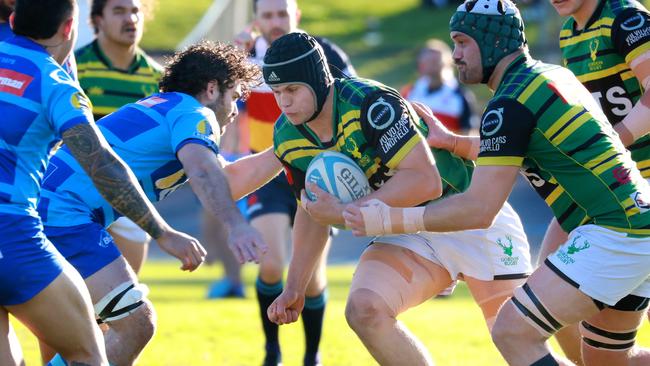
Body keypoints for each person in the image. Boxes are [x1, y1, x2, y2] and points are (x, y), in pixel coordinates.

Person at [343, 1, 650, 365]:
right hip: (635, 222)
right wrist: (455, 142)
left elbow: (479, 209)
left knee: (512, 331)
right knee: (606, 362)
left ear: (491, 42)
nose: (455, 55)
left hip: (615, 233)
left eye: (462, 42)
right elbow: (517, 147)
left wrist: (387, 220)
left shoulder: (509, 105)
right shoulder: (547, 77)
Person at [263, 32, 533, 365]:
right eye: (276, 92)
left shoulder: (371, 104)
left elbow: (426, 181)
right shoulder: (287, 135)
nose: (284, 102)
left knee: (519, 346)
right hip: (407, 231)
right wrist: (294, 287)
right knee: (364, 310)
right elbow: (312, 210)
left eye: (292, 90)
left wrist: (348, 210)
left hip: (467, 213)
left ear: (319, 82)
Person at [35, 41, 278, 365]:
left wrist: (285, 151)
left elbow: (226, 181)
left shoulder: (170, 108)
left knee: (89, 335)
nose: (235, 111)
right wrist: (236, 226)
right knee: (136, 323)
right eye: (233, 97)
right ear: (211, 89)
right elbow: (204, 173)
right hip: (64, 215)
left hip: (49, 210)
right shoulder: (195, 113)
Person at [0, 0, 200, 364]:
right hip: (12, 238)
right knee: (91, 353)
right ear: (69, 28)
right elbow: (102, 164)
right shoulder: (55, 85)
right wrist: (161, 231)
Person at [217, 1, 356, 365]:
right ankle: (272, 350)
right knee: (272, 262)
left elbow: (354, 100)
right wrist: (232, 53)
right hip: (270, 175)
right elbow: (216, 99)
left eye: (282, 14)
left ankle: (312, 355)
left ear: (297, 16)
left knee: (310, 278)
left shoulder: (324, 54)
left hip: (319, 177)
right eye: (267, 15)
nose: (276, 22)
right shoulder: (245, 60)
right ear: (256, 21)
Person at [532, 0, 650, 362]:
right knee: (546, 291)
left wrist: (614, 144)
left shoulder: (626, 18)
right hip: (609, 190)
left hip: (635, 190)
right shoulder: (570, 32)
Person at [75, 0, 164, 274]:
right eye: (119, 11)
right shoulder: (75, 68)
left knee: (123, 297)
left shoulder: (158, 79)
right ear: (98, 20)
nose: (130, 18)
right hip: (76, 192)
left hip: (131, 196)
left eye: (135, 11)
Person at [402, 38, 479, 135]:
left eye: (435, 61)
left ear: (448, 64)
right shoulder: (408, 93)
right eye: (427, 61)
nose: (432, 65)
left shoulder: (460, 96)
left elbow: (470, 134)